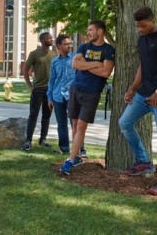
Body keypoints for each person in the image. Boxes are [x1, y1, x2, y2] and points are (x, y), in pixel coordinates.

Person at [119, 7, 157, 195]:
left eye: (142, 26)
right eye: (137, 26)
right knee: (125, 123)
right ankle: (144, 162)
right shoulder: (142, 39)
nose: (140, 29)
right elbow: (142, 67)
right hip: (143, 93)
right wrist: (132, 88)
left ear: (153, 21)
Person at [59, 20, 115, 174]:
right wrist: (96, 64)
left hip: (92, 92)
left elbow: (106, 72)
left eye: (91, 30)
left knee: (82, 125)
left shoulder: (108, 50)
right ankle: (76, 156)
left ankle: (69, 161)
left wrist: (86, 63)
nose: (88, 32)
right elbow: (74, 65)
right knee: (75, 124)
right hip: (76, 88)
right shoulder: (84, 46)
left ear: (100, 31)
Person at [21, 32, 56, 151]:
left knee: (47, 115)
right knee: (33, 115)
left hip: (50, 90)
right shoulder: (34, 54)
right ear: (42, 40)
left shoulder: (53, 54)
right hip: (38, 89)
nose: (51, 40)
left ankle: (43, 139)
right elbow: (25, 70)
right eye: (49, 38)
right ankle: (28, 141)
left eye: (51, 38)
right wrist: (30, 86)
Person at [47, 34, 76, 154]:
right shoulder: (54, 61)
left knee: (75, 124)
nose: (69, 46)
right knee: (61, 124)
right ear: (59, 46)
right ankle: (64, 148)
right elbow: (52, 80)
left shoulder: (75, 58)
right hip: (57, 96)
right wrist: (50, 97)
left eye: (70, 43)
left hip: (72, 96)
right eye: (66, 44)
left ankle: (79, 150)